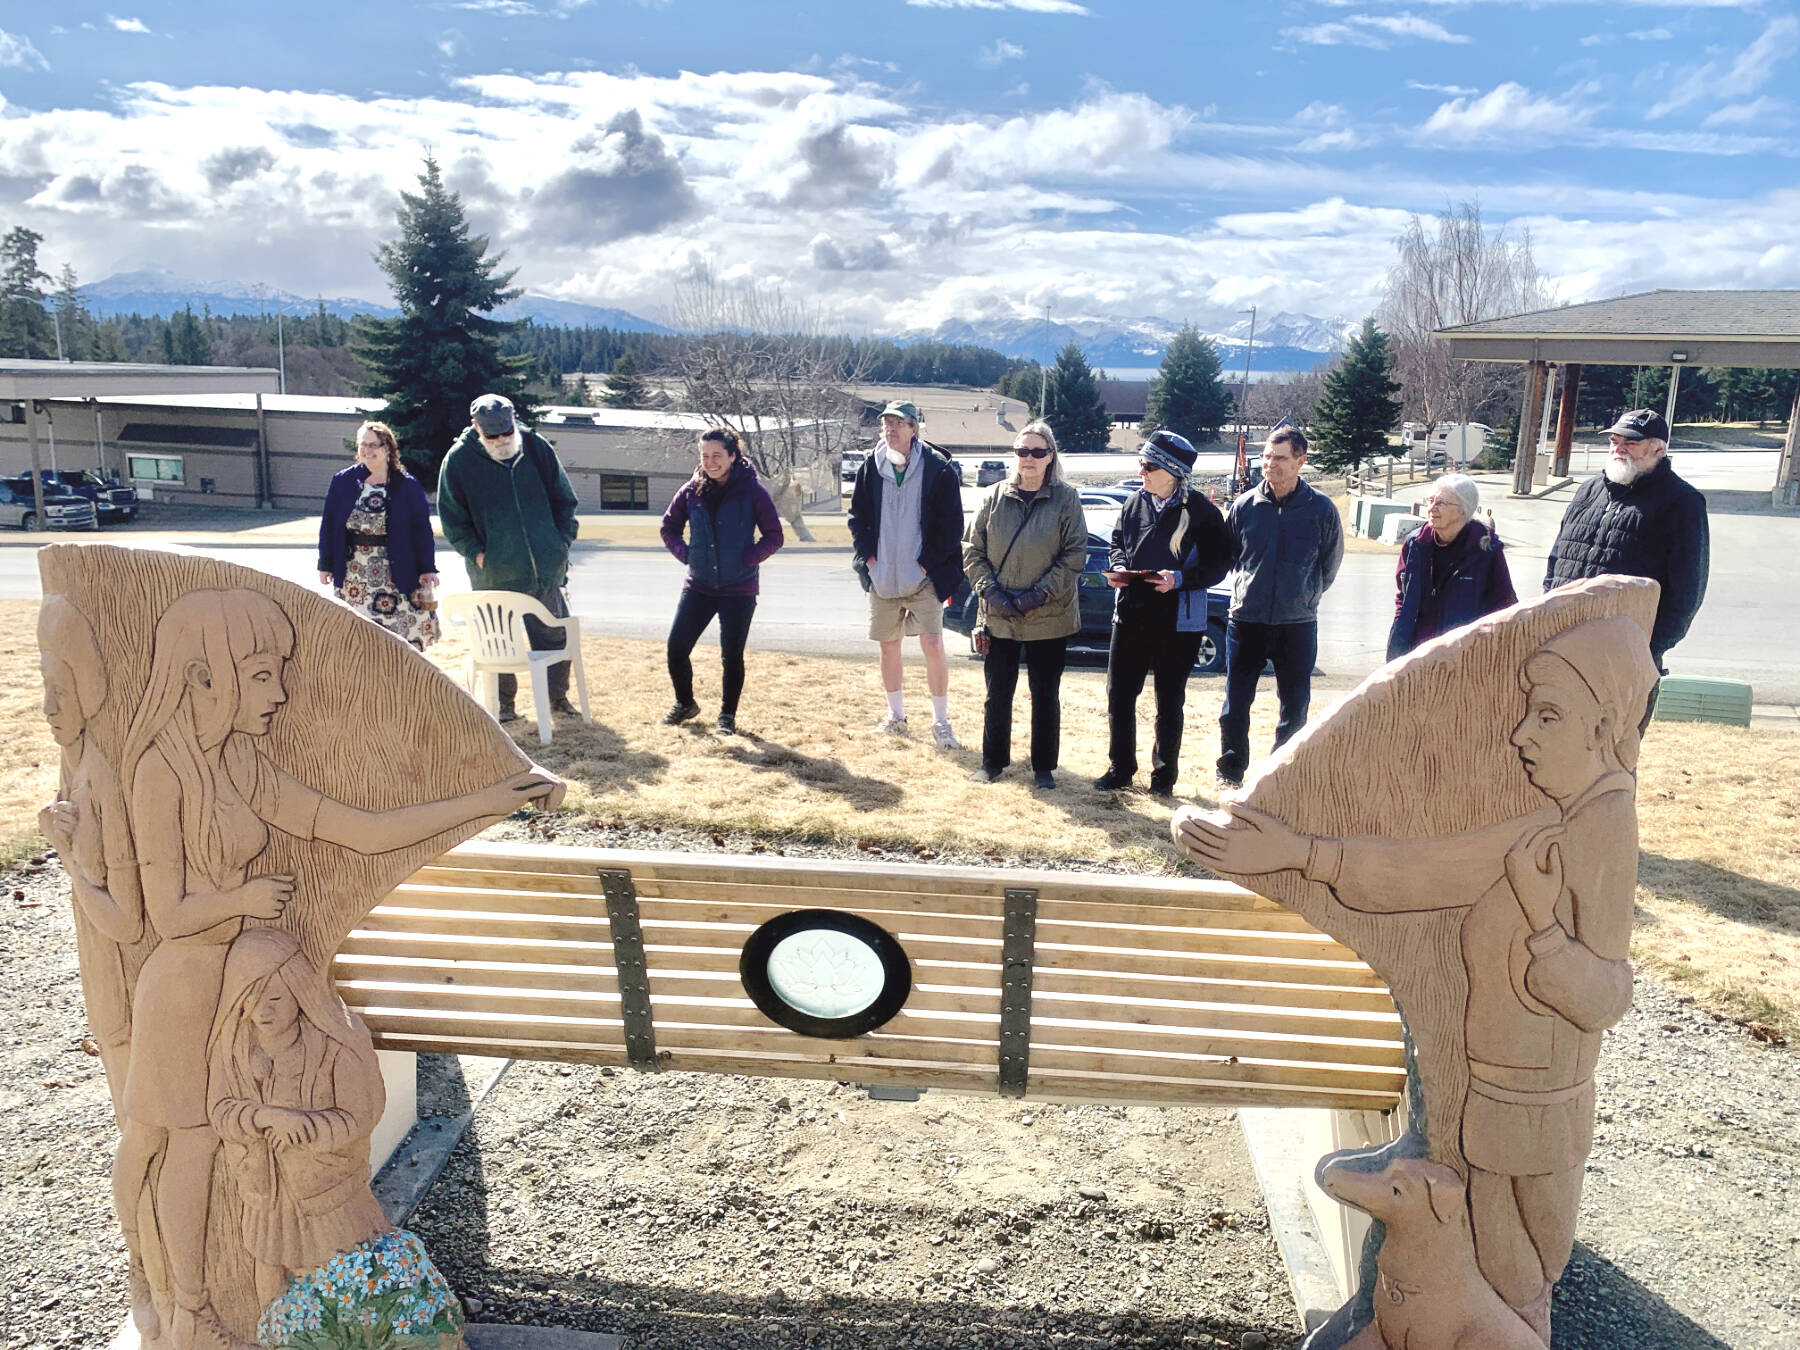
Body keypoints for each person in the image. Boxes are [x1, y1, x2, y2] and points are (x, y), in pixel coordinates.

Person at [1173, 616, 1660, 1341]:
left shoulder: (1603, 826)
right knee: (1492, 1283)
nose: (1521, 733)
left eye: (1547, 715)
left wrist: (1544, 930)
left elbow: (1604, 997)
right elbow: (1430, 870)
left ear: (1604, 726)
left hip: (1534, 1121)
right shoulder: (1557, 822)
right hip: (1493, 1108)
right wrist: (1298, 853)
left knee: (1516, 1290)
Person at [112, 588, 556, 1349]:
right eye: (260, 674)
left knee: (221, 1144)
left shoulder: (237, 759)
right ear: (202, 676)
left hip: (244, 981)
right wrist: (241, 898)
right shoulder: (161, 771)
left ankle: (223, 1304)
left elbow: (357, 828)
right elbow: (169, 914)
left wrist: (487, 800)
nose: (279, 692)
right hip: (184, 989)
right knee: (189, 1143)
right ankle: (187, 1307)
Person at [1093, 429, 1232, 797]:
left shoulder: (1202, 511)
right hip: (1130, 615)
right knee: (1119, 695)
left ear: (1173, 472)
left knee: (1169, 702)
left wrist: (1180, 579)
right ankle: (1120, 770)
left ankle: (1163, 779)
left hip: (1179, 623)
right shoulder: (1133, 503)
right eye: (1141, 464)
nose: (1142, 472)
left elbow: (1220, 565)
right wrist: (1118, 568)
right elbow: (1117, 543)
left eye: (1149, 466)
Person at [437, 393, 581, 721]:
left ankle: (557, 699)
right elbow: (452, 519)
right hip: (493, 576)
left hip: (543, 570)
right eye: (493, 435)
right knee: (498, 643)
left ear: (514, 420)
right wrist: (477, 554)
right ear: (476, 427)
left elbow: (564, 499)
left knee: (555, 636)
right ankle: (505, 708)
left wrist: (560, 542)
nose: (502, 440)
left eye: (507, 431)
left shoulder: (536, 447)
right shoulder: (458, 460)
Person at [1215, 426, 1343, 789]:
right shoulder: (1245, 507)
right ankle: (1230, 771)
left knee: (1295, 706)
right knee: (1235, 703)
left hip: (1297, 624)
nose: (1270, 464)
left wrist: (1305, 596)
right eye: (1267, 457)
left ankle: (1281, 777)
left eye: (1280, 458)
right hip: (1246, 620)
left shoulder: (1321, 509)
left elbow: (1329, 565)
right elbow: (1229, 557)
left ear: (1300, 461)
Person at [962, 420, 1086, 789]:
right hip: (999, 616)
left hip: (1049, 616)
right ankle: (992, 763)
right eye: (1021, 451)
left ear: (1050, 456)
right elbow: (972, 550)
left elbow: (1074, 556)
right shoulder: (992, 497)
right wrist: (991, 593)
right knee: (997, 694)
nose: (1028, 458)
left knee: (1045, 695)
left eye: (1036, 451)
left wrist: (1037, 595)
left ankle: (1043, 768)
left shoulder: (1067, 499)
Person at [1544, 408, 1709, 672]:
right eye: (1614, 441)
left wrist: (1647, 647)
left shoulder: (1682, 502)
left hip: (1624, 657)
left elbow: (1686, 593)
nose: (1618, 449)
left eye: (1631, 443)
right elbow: (1556, 559)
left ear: (1659, 450)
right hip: (1561, 644)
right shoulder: (1589, 490)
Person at [847, 400, 966, 748]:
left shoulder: (938, 469)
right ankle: (896, 717)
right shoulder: (871, 467)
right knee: (888, 646)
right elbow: (857, 518)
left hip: (923, 577)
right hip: (883, 576)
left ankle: (941, 722)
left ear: (914, 428)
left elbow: (951, 525)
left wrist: (927, 563)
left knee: (932, 643)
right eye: (887, 424)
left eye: (899, 423)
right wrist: (869, 559)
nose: (891, 430)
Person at [658, 427, 786, 734]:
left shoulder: (752, 491)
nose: (710, 462)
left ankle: (727, 717)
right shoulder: (691, 491)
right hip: (699, 585)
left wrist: (747, 558)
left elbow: (774, 535)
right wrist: (687, 555)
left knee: (731, 656)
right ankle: (685, 703)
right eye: (705, 456)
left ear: (732, 456)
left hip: (738, 589)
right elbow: (669, 527)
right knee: (676, 648)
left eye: (717, 455)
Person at [317, 421, 440, 650]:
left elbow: (422, 530)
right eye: (362, 444)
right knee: (358, 638)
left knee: (400, 638)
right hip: (354, 573)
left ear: (387, 448)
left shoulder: (407, 485)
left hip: (398, 571)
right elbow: (329, 526)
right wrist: (325, 564)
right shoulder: (343, 481)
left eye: (373, 445)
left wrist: (427, 568)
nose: (367, 450)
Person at [1388, 472, 1517, 660]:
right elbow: (1403, 598)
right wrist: (1396, 650)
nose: (1431, 508)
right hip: (1417, 652)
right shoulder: (1415, 544)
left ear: (1463, 510)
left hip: (1463, 656)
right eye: (1430, 500)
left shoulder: (1486, 549)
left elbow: (1505, 604)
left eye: (1441, 503)